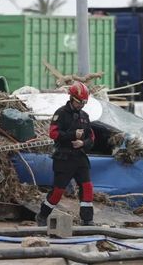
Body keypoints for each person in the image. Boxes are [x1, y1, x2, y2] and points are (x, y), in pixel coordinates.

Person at [35, 81, 95, 226]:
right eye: (79, 102)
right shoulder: (61, 113)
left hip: (80, 157)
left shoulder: (85, 116)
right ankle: (42, 215)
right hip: (64, 158)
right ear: (72, 98)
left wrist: (83, 143)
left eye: (84, 103)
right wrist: (72, 135)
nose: (81, 106)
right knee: (58, 191)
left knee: (87, 187)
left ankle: (87, 219)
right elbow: (53, 134)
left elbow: (91, 137)